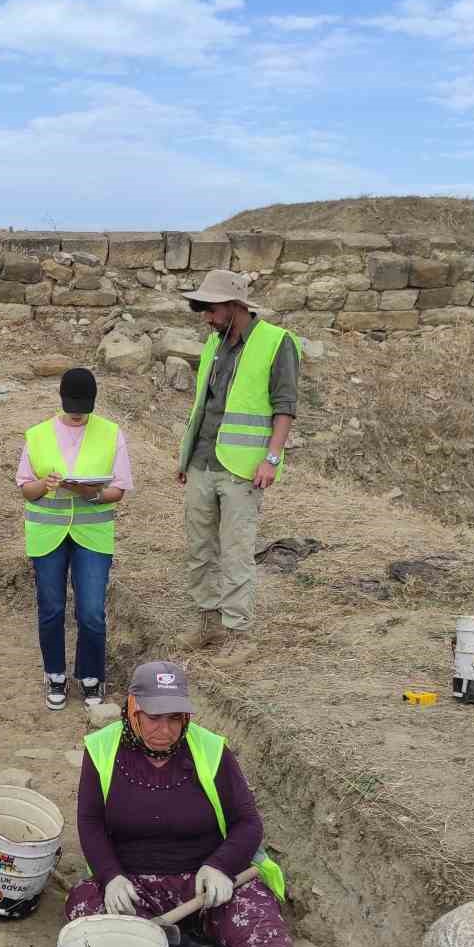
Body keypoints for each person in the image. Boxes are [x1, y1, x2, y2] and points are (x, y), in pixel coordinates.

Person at [64, 660, 302, 947]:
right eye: (154, 717)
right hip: (134, 883)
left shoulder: (210, 749)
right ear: (132, 710)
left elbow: (248, 822)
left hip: (204, 884)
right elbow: (90, 821)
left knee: (259, 919)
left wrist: (220, 866)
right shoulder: (102, 750)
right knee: (85, 906)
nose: (165, 728)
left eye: (174, 718)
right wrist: (110, 876)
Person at [175, 270, 300, 659]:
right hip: (202, 461)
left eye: (210, 308)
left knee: (236, 550)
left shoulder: (276, 342)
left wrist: (272, 458)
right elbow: (205, 406)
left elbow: (285, 407)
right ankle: (208, 623)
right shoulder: (214, 342)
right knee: (199, 548)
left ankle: (238, 633)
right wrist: (186, 455)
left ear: (235, 305)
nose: (206, 317)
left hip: (243, 469)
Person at [17, 367, 132, 710]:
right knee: (51, 608)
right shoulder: (37, 435)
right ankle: (54, 674)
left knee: (92, 610)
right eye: (72, 405)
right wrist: (46, 485)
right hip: (47, 534)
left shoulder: (112, 433)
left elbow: (119, 488)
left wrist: (91, 494)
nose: (78, 412)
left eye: (83, 406)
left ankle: (91, 676)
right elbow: (26, 488)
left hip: (92, 534)